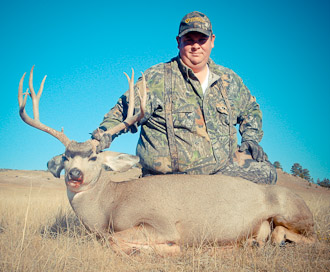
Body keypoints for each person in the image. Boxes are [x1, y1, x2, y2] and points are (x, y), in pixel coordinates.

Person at [92, 11, 277, 184]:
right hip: (171, 180)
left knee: (267, 174)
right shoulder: (157, 78)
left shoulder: (229, 80)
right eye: (189, 40)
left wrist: (250, 139)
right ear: (178, 41)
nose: (196, 46)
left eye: (202, 39)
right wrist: (100, 136)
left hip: (221, 172)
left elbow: (251, 109)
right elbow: (121, 114)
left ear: (212, 41)